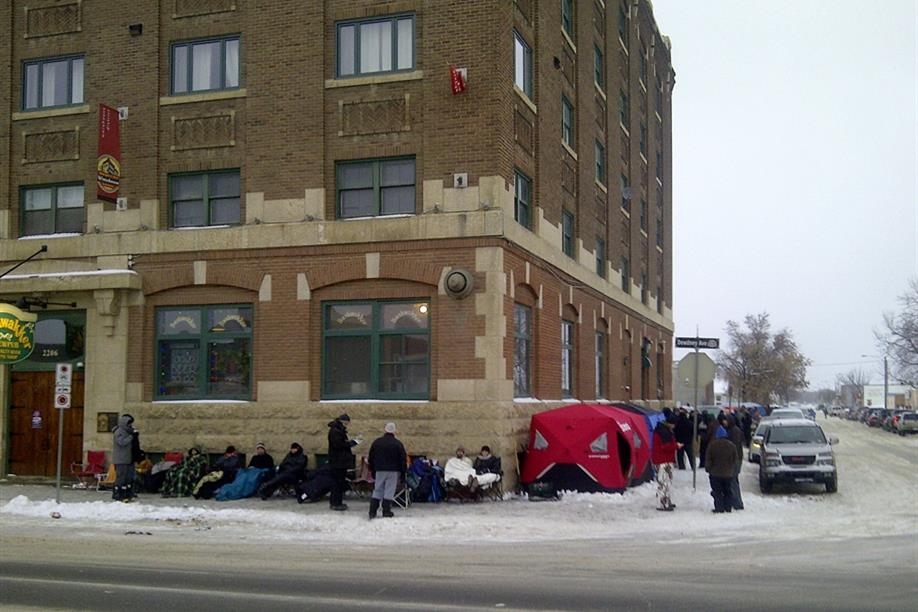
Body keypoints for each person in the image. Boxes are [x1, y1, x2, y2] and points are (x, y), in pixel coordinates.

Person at [367, 422, 407, 519]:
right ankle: (386, 511)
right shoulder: (398, 444)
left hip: (379, 470)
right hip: (393, 470)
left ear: (385, 430)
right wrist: (403, 472)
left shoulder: (377, 442)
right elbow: (402, 459)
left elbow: (371, 457)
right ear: (394, 431)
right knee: (389, 490)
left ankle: (372, 511)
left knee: (377, 489)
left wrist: (372, 469)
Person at [327, 414, 361, 511]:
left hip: (339, 461)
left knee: (339, 482)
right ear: (343, 421)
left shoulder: (337, 430)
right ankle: (336, 503)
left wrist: (351, 442)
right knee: (337, 483)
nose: (347, 425)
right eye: (347, 422)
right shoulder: (335, 431)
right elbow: (339, 445)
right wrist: (353, 443)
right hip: (338, 462)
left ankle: (337, 502)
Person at [705, 425, 738, 513]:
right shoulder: (732, 445)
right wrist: (731, 467)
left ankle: (719, 508)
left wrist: (708, 468)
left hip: (715, 473)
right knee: (728, 491)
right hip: (728, 474)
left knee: (717, 492)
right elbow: (735, 459)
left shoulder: (712, 445)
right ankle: (728, 507)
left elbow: (708, 458)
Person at [651, 416, 681, 511]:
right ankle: (662, 504)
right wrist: (676, 445)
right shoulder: (664, 433)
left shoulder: (662, 430)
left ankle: (666, 501)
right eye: (673, 424)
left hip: (662, 460)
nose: (674, 426)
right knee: (663, 483)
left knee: (666, 483)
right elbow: (665, 447)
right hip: (663, 461)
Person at [111, 413, 140, 502]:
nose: (130, 425)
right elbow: (122, 442)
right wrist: (131, 437)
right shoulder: (119, 431)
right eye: (129, 423)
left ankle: (128, 493)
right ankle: (118, 494)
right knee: (121, 478)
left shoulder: (128, 431)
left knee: (129, 478)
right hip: (121, 459)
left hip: (129, 458)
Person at [724, 414, 745, 511]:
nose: (724, 422)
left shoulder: (734, 431)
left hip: (735, 459)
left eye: (726, 420)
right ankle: (735, 501)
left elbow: (734, 446)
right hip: (735, 458)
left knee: (733, 481)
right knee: (733, 480)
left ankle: (737, 502)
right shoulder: (733, 430)